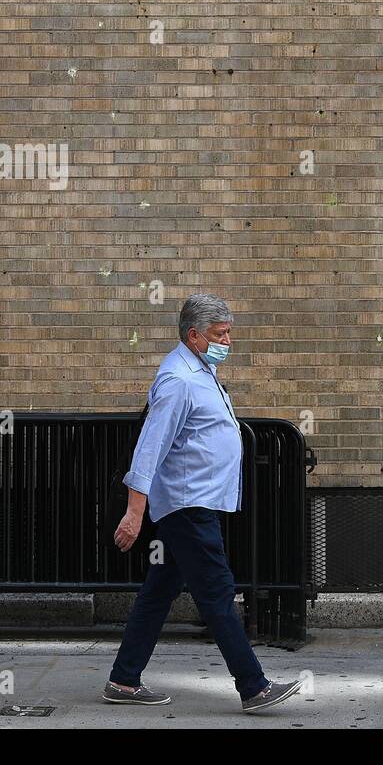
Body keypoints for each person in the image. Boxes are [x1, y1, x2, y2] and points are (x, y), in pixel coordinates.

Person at [102, 293, 301, 713]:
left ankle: (123, 680)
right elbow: (149, 449)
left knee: (158, 593)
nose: (227, 341)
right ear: (194, 335)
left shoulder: (201, 371)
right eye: (219, 333)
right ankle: (253, 686)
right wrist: (134, 512)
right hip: (186, 505)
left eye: (229, 332)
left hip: (194, 502)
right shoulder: (179, 380)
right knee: (216, 590)